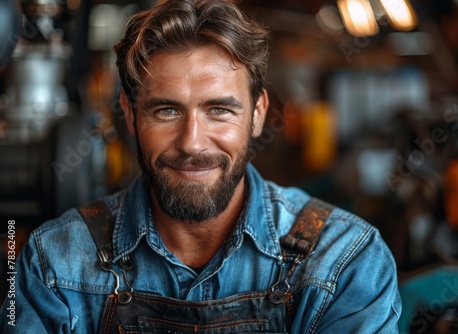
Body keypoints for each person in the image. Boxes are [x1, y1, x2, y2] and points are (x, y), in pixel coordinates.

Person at [0, 0, 401, 332]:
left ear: (258, 114)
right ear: (129, 113)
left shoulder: (345, 262)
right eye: (166, 110)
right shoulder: (53, 265)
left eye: (219, 110)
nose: (192, 142)